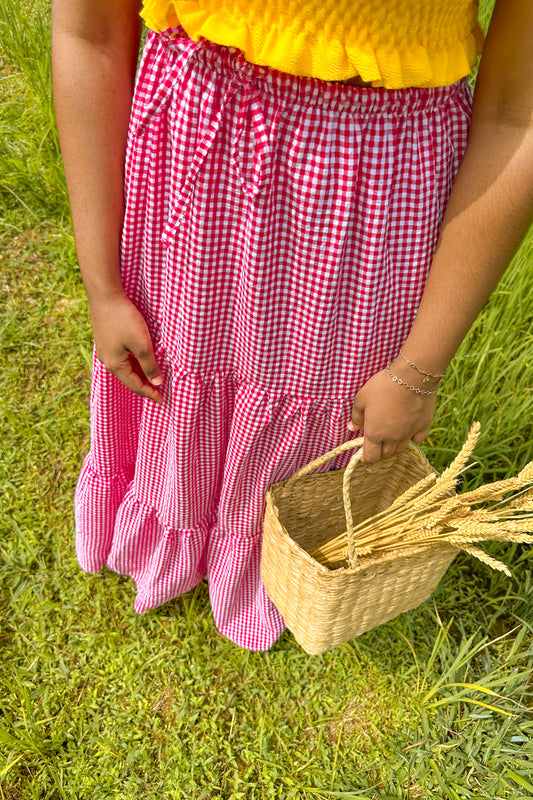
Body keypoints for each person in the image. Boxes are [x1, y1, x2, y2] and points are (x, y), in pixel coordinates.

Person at [51, 1, 533, 650]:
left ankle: (268, 563)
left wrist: (419, 368)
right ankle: (167, 535)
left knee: (323, 390)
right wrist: (102, 286)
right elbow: (89, 31)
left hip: (374, 176)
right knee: (170, 361)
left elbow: (516, 112)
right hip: (199, 132)